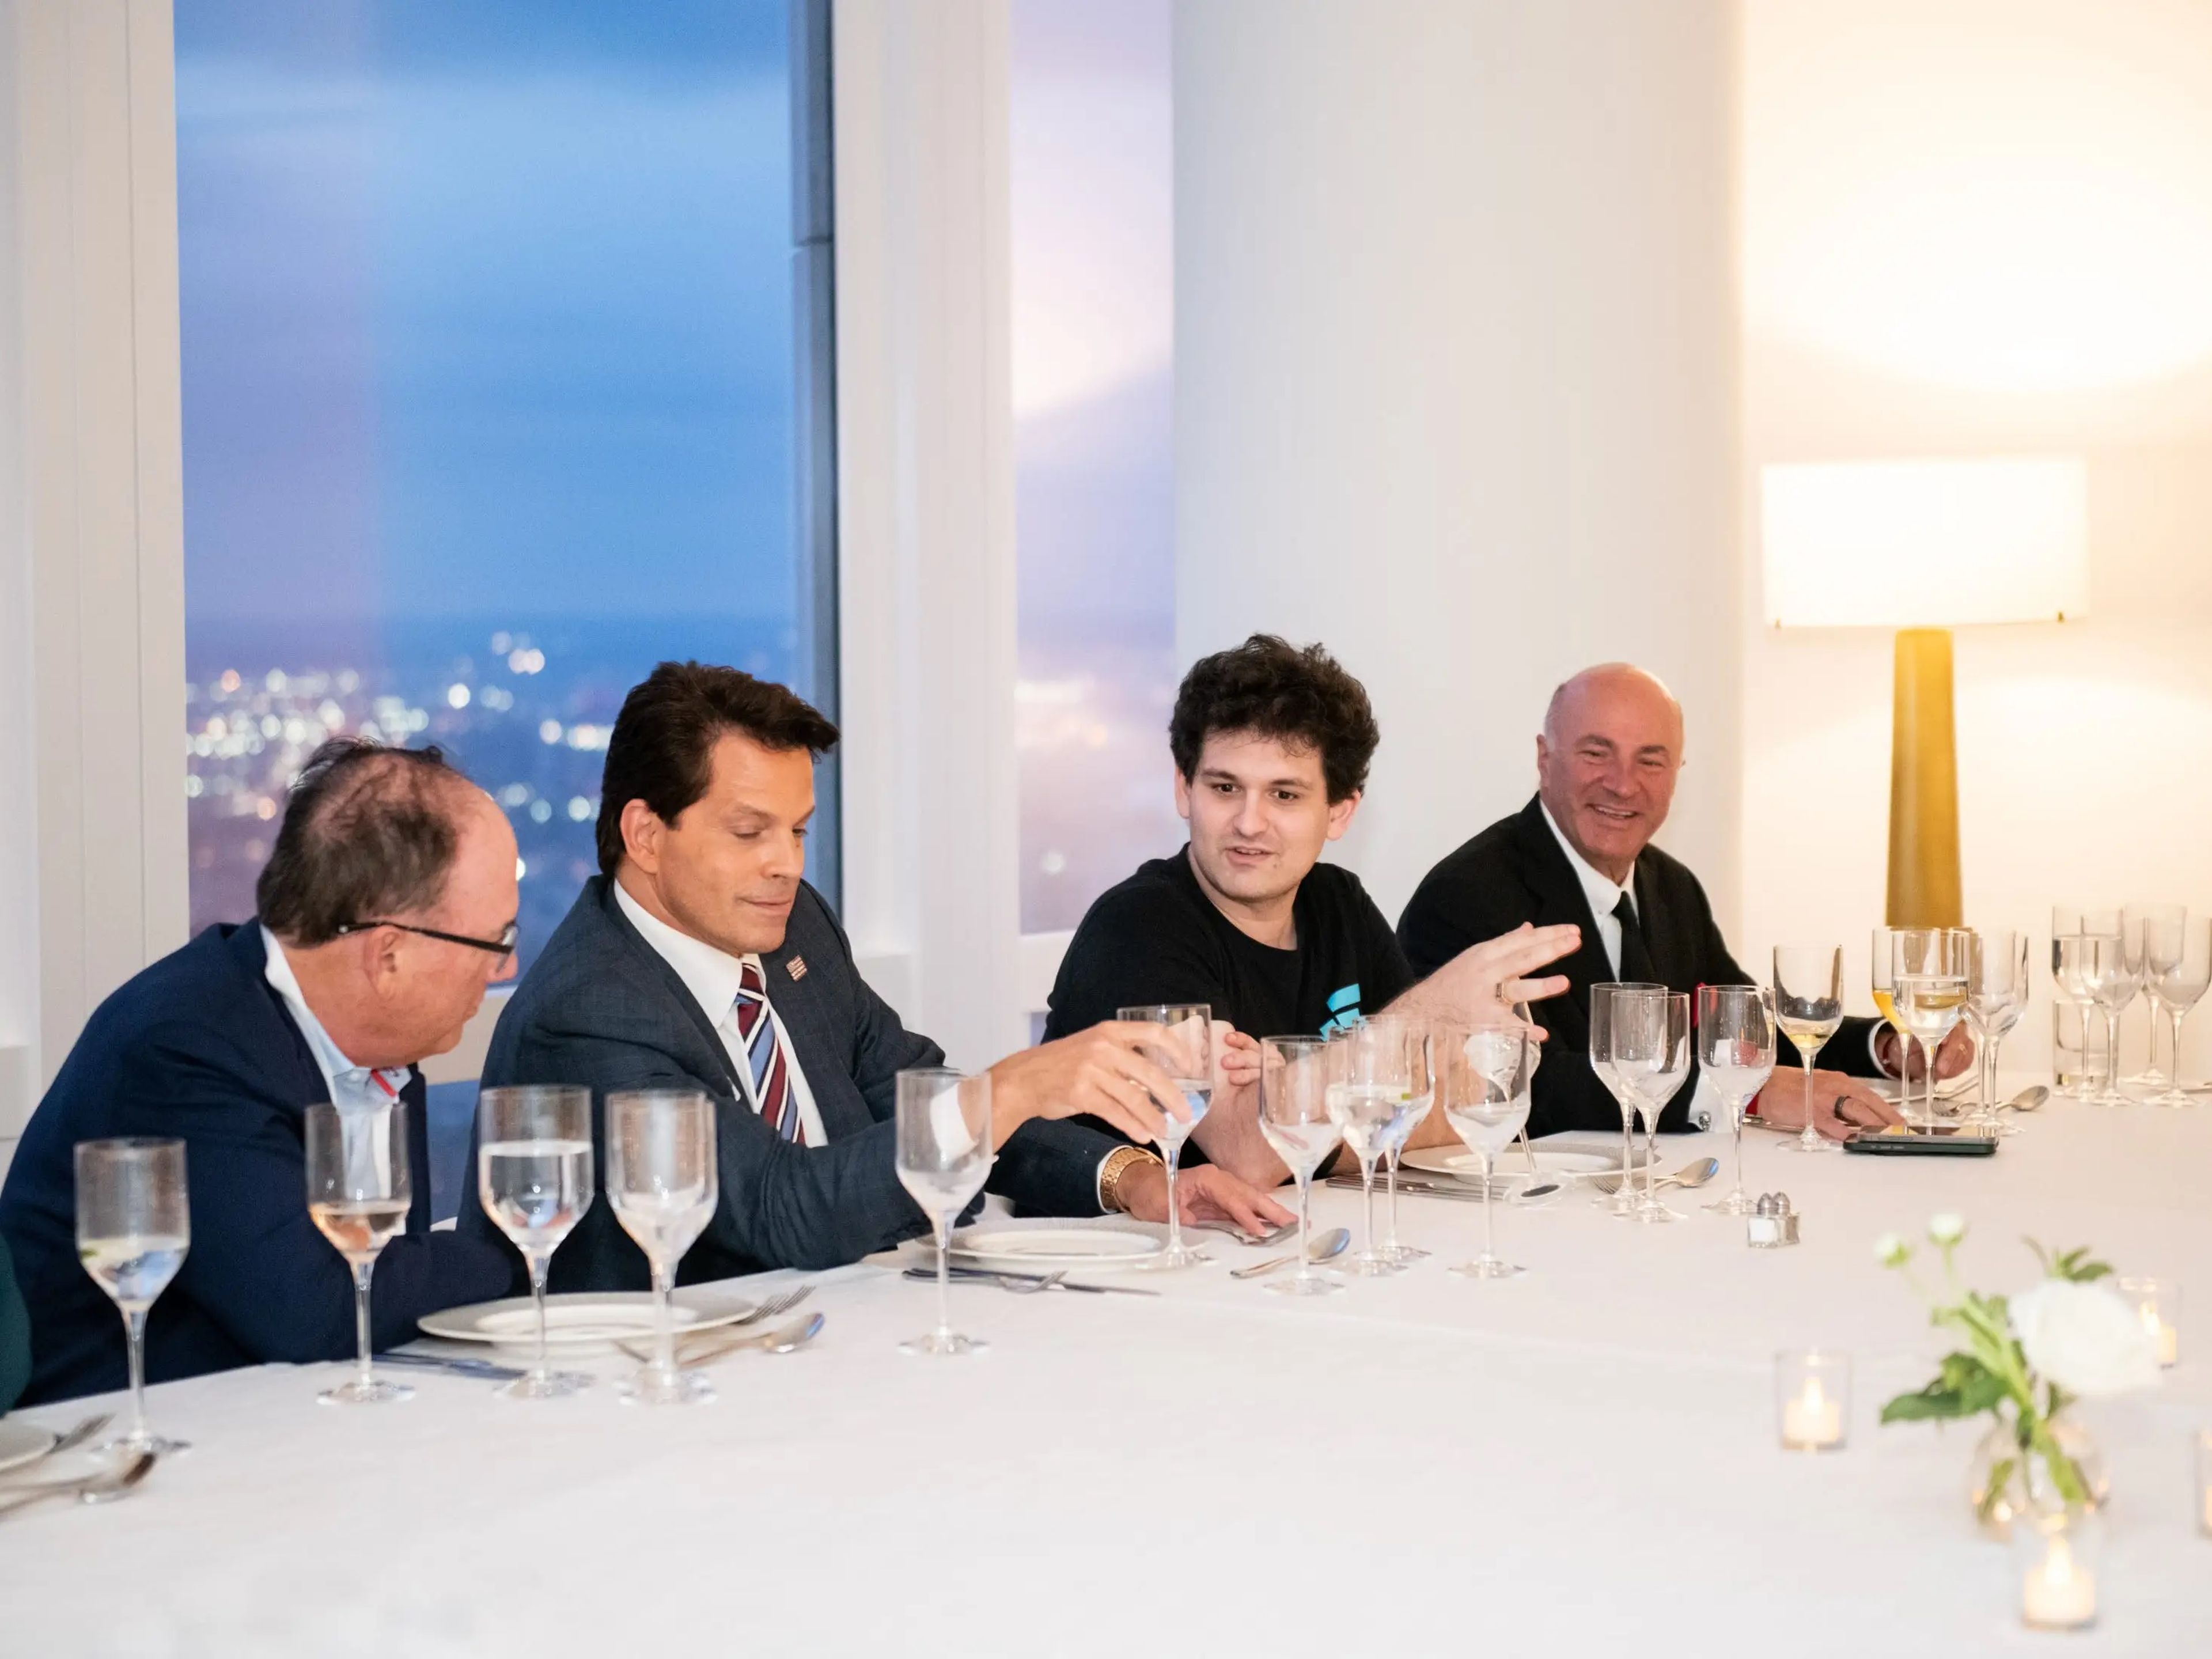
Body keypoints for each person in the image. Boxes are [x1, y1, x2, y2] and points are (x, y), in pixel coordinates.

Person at [461, 662, 1287, 1293]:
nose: (787, 865)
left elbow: (916, 1099)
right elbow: (783, 1211)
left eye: (797, 831)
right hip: (664, 1392)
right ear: (645, 835)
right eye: (750, 833)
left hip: (846, 1324)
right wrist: (1012, 1087)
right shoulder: (591, 1010)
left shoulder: (794, 928)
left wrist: (1132, 1180)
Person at [0, 741, 519, 1404]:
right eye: (495, 942)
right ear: (388, 955)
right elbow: (316, 1308)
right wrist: (514, 1254)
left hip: (299, 1414)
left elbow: (381, 1293)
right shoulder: (186, 1045)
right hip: (119, 1435)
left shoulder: (379, 1042)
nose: (505, 969)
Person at [1044, 635, 1581, 1187]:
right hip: (1119, 1238)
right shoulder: (1140, 925)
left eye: (1285, 795)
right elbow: (1247, 1152)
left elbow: (1464, 1107)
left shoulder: (1338, 902)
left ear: (1340, 812)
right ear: (1184, 790)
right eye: (1225, 787)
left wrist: (1294, 1091)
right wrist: (1413, 1024)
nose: (1249, 823)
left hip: (1294, 1230)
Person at [1399, 663, 1957, 1139]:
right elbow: (1515, 1086)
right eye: (1596, 753)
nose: (1623, 784)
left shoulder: (1672, 886)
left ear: (1677, 774)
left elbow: (1745, 1031)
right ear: (1545, 758)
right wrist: (1745, 1093)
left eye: (1650, 761)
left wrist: (1885, 1046)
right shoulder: (1467, 896)